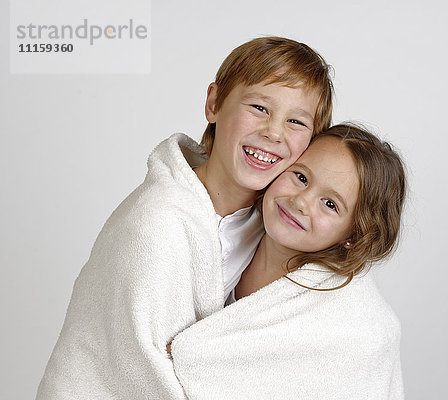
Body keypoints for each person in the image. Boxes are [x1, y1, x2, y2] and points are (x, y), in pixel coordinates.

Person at [36, 36, 333, 399]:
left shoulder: (275, 223)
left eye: (297, 122)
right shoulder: (156, 224)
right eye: (259, 107)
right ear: (213, 103)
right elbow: (139, 366)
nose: (273, 132)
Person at [169, 123, 407, 399]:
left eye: (330, 204)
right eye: (301, 177)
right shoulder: (219, 230)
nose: (301, 201)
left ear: (354, 234)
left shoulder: (358, 331)